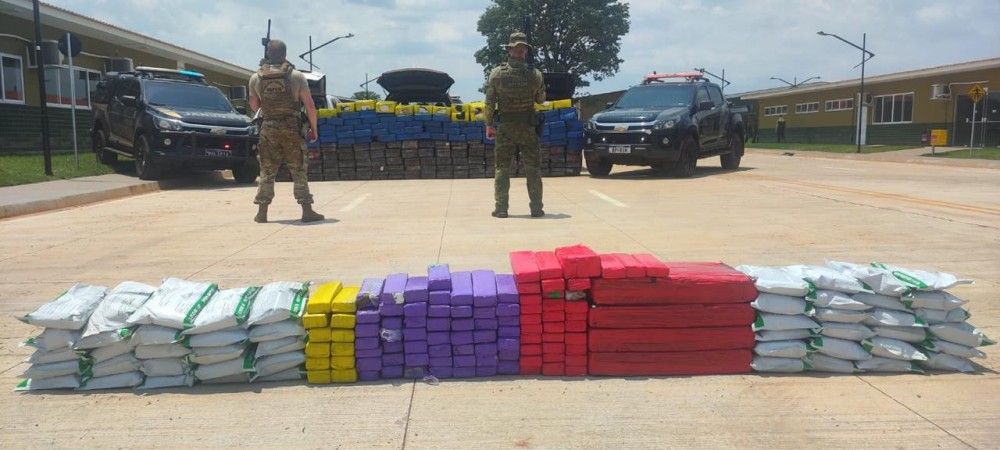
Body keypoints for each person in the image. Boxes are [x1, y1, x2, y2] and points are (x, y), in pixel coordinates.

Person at [248, 39, 324, 223]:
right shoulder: (296, 75)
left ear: (268, 54)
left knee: (267, 169)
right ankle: (306, 210)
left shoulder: (256, 77)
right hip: (291, 128)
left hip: (268, 128)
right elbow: (310, 106)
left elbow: (254, 106)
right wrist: (314, 128)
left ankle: (262, 212)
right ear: (285, 54)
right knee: (298, 168)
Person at [484, 32, 546, 219]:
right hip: (527, 128)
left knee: (502, 169)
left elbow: (489, 103)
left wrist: (489, 125)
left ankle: (501, 208)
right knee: (533, 169)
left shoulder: (497, 73)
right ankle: (536, 208)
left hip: (506, 128)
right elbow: (541, 100)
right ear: (525, 50)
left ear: (509, 50)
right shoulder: (535, 74)